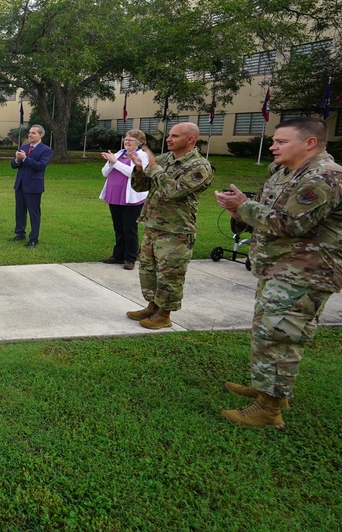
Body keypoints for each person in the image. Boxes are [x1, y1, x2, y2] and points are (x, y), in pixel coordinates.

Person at [215, 117, 342, 429]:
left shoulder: (324, 177)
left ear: (309, 143)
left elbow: (290, 224)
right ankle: (268, 389)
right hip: (280, 266)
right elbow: (267, 212)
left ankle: (269, 410)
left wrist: (245, 206)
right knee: (268, 331)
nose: (273, 146)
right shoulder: (285, 172)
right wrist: (239, 211)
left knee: (281, 336)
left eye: (281, 141)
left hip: (306, 272)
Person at [127, 122, 213, 329]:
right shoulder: (164, 159)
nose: (169, 139)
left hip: (176, 231)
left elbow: (174, 191)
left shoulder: (199, 166)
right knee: (149, 271)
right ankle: (153, 306)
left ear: (190, 139)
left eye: (175, 136)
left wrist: (154, 168)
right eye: (169, 135)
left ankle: (164, 315)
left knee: (170, 275)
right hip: (153, 224)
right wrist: (139, 169)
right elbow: (141, 186)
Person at [99, 129, 150, 270]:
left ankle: (130, 258)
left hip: (131, 198)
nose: (127, 142)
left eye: (130, 140)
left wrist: (115, 162)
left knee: (129, 228)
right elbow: (104, 173)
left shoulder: (142, 156)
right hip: (114, 195)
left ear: (139, 142)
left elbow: (134, 174)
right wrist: (110, 162)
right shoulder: (119, 153)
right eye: (126, 139)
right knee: (118, 227)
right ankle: (118, 255)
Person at [10, 124, 52, 248]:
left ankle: (33, 238)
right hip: (20, 184)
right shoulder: (23, 147)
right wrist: (17, 160)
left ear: (41, 135)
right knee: (20, 211)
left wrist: (25, 158)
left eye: (33, 133)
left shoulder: (46, 150)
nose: (30, 135)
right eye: (29, 132)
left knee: (34, 213)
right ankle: (20, 233)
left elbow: (40, 166)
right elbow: (13, 165)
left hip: (33, 186)